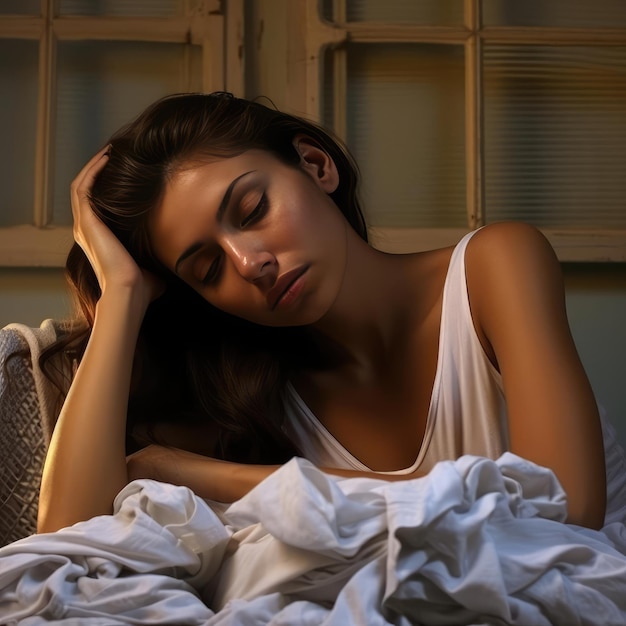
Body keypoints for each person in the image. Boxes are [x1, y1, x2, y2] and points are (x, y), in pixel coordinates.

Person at [37, 91, 606, 535]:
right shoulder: (257, 398)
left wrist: (195, 473)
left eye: (253, 209)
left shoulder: (495, 265)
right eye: (208, 269)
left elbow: (562, 508)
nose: (249, 262)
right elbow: (68, 539)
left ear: (315, 164)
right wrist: (122, 294)